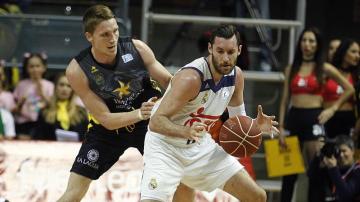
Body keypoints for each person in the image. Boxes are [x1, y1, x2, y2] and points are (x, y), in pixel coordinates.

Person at [57, 5, 194, 202]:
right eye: (104, 34)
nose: (112, 39)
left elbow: (170, 83)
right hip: (108, 130)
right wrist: (140, 113)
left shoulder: (137, 48)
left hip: (150, 125)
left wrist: (183, 104)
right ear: (89, 37)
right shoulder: (77, 70)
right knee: (74, 191)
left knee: (182, 180)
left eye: (115, 31)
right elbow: (105, 119)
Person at [140, 25, 278, 202]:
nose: (225, 58)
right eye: (220, 51)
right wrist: (185, 131)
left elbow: (237, 122)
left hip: (198, 146)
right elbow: (156, 122)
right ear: (210, 48)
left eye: (230, 52)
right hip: (165, 148)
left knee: (257, 197)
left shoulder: (236, 77)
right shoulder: (191, 78)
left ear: (239, 50)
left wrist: (254, 126)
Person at [278, 27, 354, 202]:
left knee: (315, 172)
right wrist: (281, 127)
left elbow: (349, 89)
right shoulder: (292, 68)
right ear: (300, 43)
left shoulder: (324, 67)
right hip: (293, 119)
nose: (307, 44)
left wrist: (332, 109)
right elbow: (284, 100)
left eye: (311, 41)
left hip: (314, 118)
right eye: (304, 40)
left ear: (317, 45)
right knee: (288, 173)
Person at [32, 73, 88, 141]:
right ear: (55, 88)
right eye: (61, 85)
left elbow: (87, 137)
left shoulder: (81, 112)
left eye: (69, 86)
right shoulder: (44, 111)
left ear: (72, 90)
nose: (64, 89)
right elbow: (38, 138)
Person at [323, 39, 360, 139]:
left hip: (348, 120)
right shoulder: (328, 72)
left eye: (359, 52)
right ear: (343, 52)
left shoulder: (357, 76)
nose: (358, 56)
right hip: (326, 118)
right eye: (353, 52)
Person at [13, 52, 54, 139]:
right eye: (31, 66)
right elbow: (15, 109)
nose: (35, 69)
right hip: (24, 124)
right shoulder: (21, 85)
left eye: (38, 66)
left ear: (44, 68)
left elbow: (53, 106)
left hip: (42, 124)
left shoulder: (49, 85)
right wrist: (21, 103)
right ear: (27, 69)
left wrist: (42, 94)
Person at [308, 135, 360, 202]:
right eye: (338, 152)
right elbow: (311, 175)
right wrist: (317, 154)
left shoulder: (357, 169)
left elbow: (346, 195)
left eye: (344, 151)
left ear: (352, 151)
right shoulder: (333, 168)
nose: (341, 155)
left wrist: (333, 169)